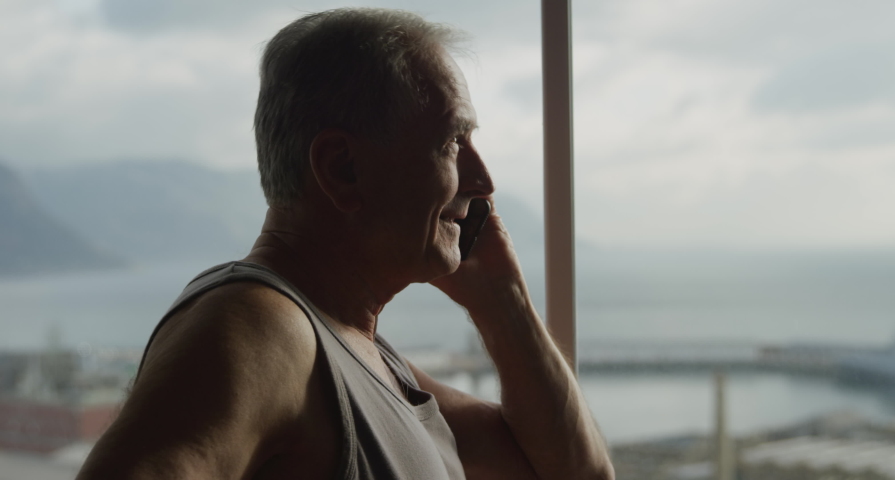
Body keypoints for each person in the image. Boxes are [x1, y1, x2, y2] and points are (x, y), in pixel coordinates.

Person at [76, 8, 613, 480]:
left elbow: (573, 473)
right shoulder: (260, 328)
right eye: (453, 141)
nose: (484, 181)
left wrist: (505, 300)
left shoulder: (364, 353)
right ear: (343, 168)